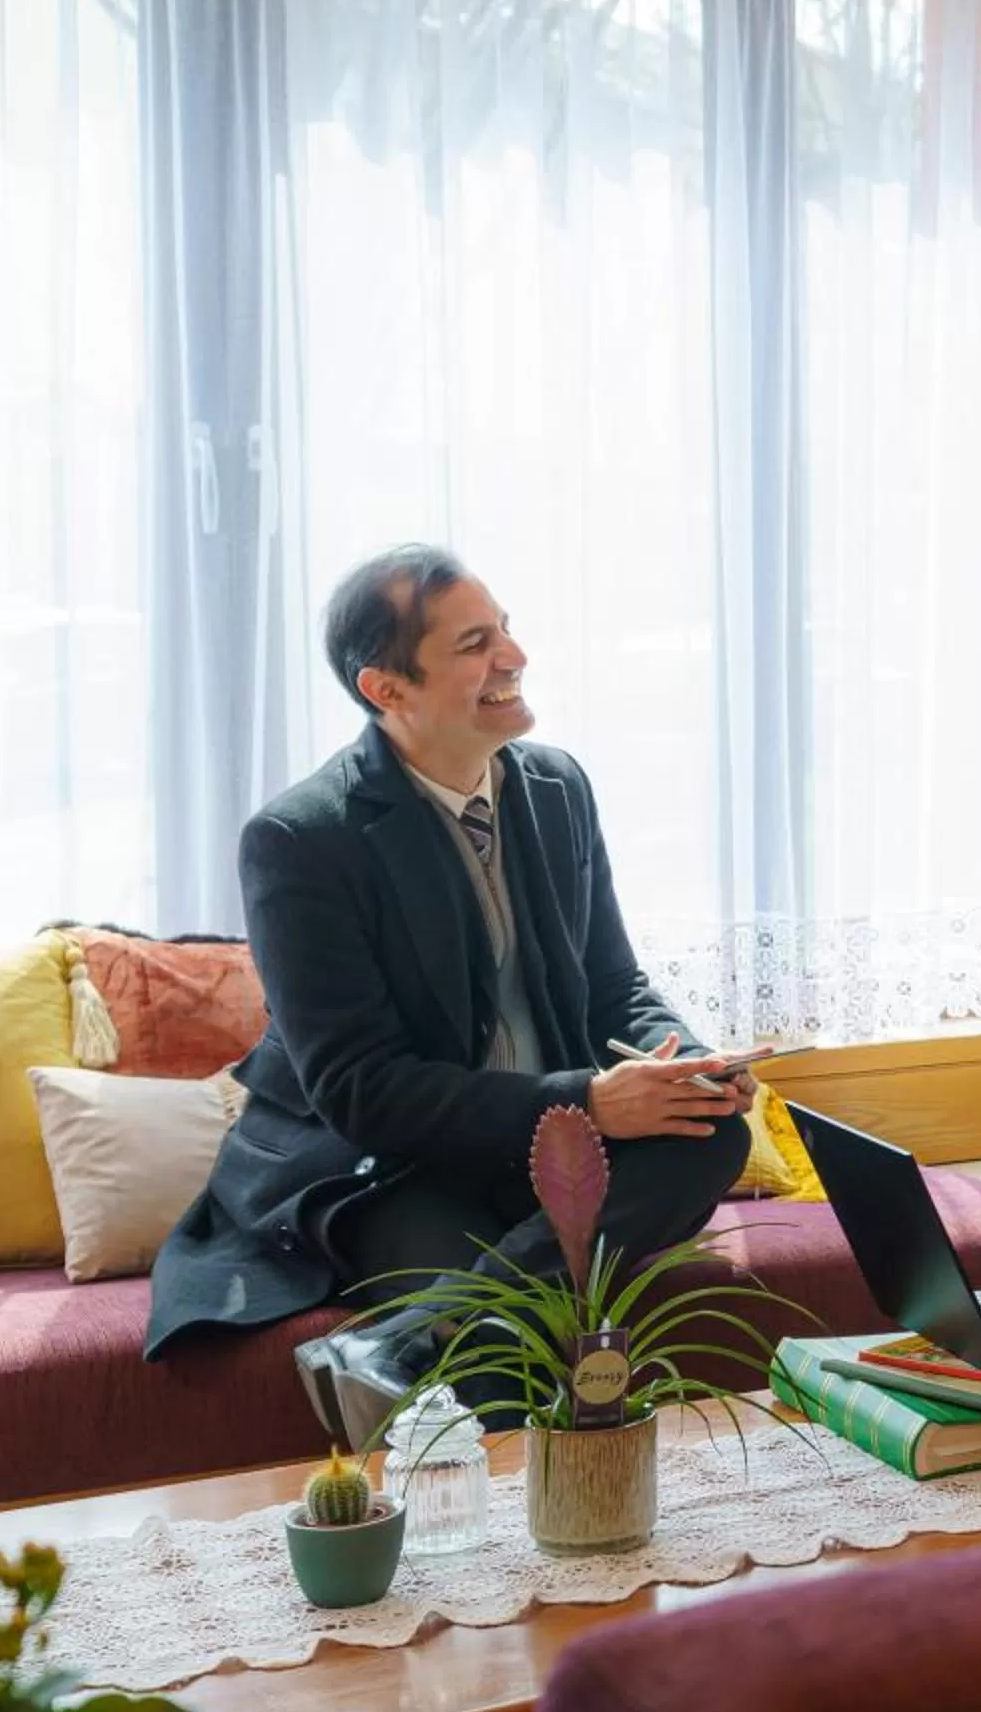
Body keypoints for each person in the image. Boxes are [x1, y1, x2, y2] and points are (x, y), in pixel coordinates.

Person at [144, 545, 760, 1447]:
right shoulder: (301, 838)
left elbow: (615, 985)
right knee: (496, 1354)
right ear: (387, 689)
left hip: (536, 1139)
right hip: (383, 1167)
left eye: (505, 627)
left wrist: (682, 1062)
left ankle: (394, 1345)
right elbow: (361, 1091)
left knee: (713, 1134)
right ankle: (541, 1546)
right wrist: (589, 1100)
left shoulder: (557, 788)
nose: (513, 656)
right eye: (475, 642)